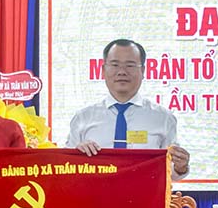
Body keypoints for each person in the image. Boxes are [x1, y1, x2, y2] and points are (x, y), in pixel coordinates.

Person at [67, 39, 190, 179]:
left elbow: (170, 172)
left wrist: (180, 167)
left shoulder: (163, 118)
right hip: (95, 192)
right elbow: (65, 169)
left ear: (143, 71)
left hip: (144, 192)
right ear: (103, 70)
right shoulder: (83, 118)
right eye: (115, 65)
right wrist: (77, 156)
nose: (122, 72)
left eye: (130, 65)